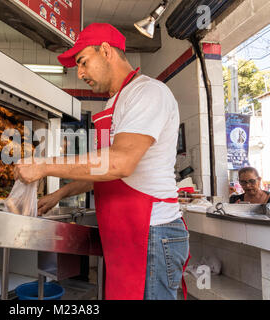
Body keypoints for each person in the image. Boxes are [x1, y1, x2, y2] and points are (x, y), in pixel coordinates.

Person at [13, 23, 189, 300]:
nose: (80, 73)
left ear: (106, 51)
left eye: (83, 62)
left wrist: (45, 165)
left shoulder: (148, 93)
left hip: (152, 233)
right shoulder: (113, 104)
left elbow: (119, 163)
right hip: (124, 233)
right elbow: (102, 169)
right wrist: (61, 192)